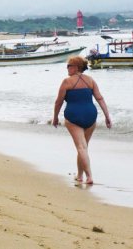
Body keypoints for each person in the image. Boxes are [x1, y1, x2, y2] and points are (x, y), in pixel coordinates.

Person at [53, 56, 112, 185]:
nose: (67, 68)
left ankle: (89, 176)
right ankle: (79, 175)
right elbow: (100, 98)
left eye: (69, 65)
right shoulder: (90, 80)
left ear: (76, 67)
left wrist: (55, 117)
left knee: (81, 147)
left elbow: (58, 102)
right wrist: (107, 116)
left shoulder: (67, 82)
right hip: (90, 115)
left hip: (73, 116)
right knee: (84, 147)